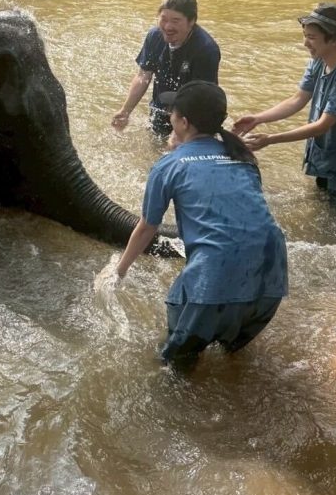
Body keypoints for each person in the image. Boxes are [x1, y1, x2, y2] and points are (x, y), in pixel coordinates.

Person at [115, 81, 287, 365]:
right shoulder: (243, 157)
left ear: (182, 122)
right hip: (272, 278)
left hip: (215, 275)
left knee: (173, 367)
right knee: (235, 360)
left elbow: (148, 227)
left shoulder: (169, 165)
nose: (169, 118)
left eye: (173, 113)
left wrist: (117, 273)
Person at [233, 3, 336, 200]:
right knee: (322, 206)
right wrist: (257, 118)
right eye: (305, 36)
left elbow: (322, 126)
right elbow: (298, 99)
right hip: (325, 155)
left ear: (334, 38)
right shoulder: (320, 59)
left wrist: (270, 139)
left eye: (311, 37)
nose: (305, 43)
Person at [112, 0, 221, 136]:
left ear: (192, 21)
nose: (168, 26)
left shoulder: (206, 50)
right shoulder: (155, 36)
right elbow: (143, 76)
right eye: (163, 19)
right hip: (161, 109)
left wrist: (179, 134)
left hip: (193, 119)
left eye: (175, 21)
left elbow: (201, 99)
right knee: (155, 149)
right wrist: (125, 111)